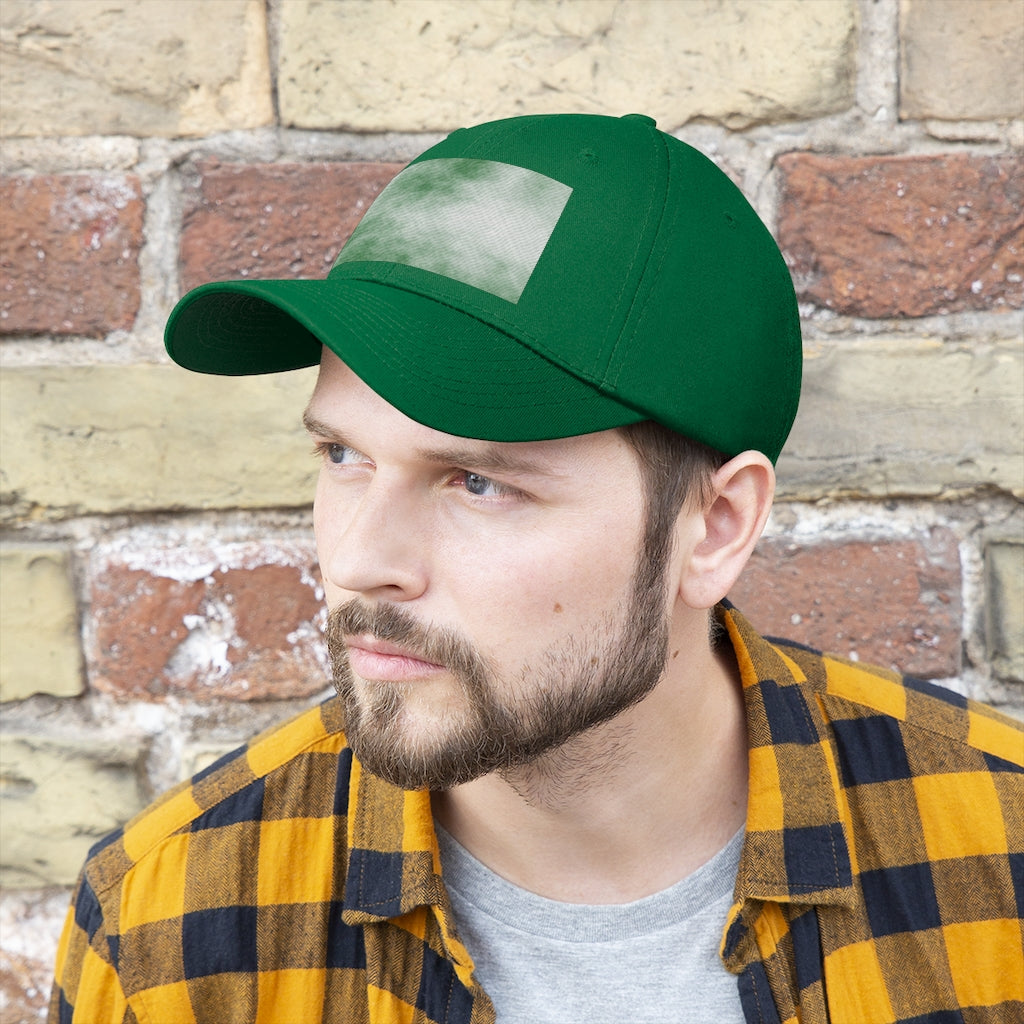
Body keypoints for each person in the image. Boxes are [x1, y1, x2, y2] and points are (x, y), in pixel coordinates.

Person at [51, 113, 1022, 1024]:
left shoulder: (998, 854)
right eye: (344, 457)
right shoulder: (167, 930)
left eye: (476, 481)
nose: (359, 561)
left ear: (715, 526)